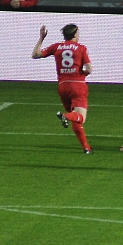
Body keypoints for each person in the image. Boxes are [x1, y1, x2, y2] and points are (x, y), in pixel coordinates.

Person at [32, 24, 94, 154]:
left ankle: (86, 147)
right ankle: (65, 116)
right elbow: (89, 69)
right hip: (77, 85)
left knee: (75, 117)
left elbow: (35, 55)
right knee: (80, 117)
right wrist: (82, 74)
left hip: (63, 86)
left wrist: (41, 38)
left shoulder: (57, 46)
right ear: (75, 34)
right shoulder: (81, 48)